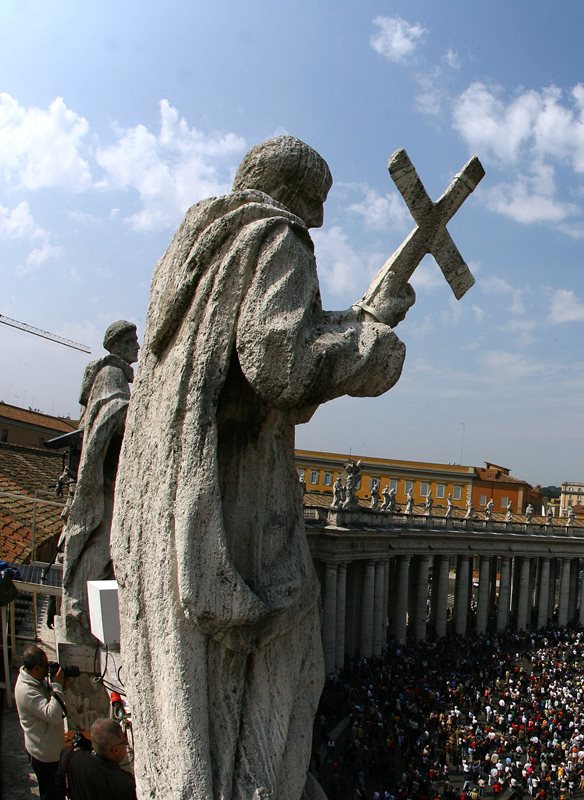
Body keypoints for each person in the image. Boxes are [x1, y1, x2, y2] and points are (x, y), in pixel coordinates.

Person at [110, 136, 411, 799]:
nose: (321, 225)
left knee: (184, 689)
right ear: (293, 195)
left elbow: (260, 348)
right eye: (317, 207)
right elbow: (279, 363)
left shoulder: (199, 249)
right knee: (289, 661)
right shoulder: (277, 236)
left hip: (166, 504)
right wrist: (376, 351)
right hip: (237, 508)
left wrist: (359, 317)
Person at [58, 319, 139, 643]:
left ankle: (91, 612)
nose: (138, 345)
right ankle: (78, 603)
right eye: (132, 339)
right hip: (104, 475)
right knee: (103, 541)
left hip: (109, 472)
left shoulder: (115, 373)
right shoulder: (112, 373)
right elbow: (112, 413)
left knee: (106, 544)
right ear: (119, 343)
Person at [15, 645, 68, 800]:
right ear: (36, 668)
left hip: (50, 750)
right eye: (46, 666)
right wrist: (57, 685)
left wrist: (60, 686)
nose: (48, 670)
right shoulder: (26, 691)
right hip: (44, 756)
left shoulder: (34, 679)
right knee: (51, 795)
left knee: (58, 791)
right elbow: (53, 715)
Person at [59, 718, 136, 800]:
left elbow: (58, 787)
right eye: (124, 742)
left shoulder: (69, 756)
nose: (126, 744)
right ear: (115, 749)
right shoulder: (125, 784)